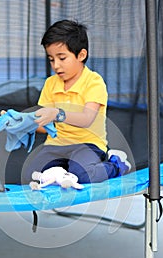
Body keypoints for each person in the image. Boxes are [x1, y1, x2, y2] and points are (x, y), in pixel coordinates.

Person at [20, 19, 131, 184]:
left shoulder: (94, 82)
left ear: (81, 55)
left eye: (62, 58)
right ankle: (62, 171)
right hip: (56, 144)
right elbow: (45, 125)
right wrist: (24, 123)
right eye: (51, 59)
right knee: (30, 175)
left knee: (84, 175)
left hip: (87, 144)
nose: (56, 65)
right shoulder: (51, 83)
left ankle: (116, 165)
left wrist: (57, 114)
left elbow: (87, 119)